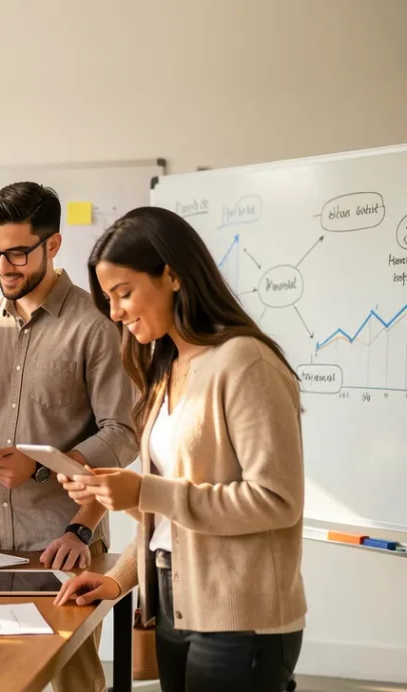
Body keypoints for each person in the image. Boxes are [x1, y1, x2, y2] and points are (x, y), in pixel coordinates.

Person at [55, 206, 305, 692]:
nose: (115, 312)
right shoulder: (164, 368)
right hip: (172, 603)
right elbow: (167, 522)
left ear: (172, 275)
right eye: (108, 298)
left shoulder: (245, 362)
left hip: (240, 618)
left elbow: (277, 501)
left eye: (124, 293)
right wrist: (120, 577)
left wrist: (145, 490)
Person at [0, 182, 138, 692]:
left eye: (17, 253)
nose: (2, 266)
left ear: (52, 246)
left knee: (74, 681)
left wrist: (39, 469)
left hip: (66, 540)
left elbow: (123, 432)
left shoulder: (97, 324)